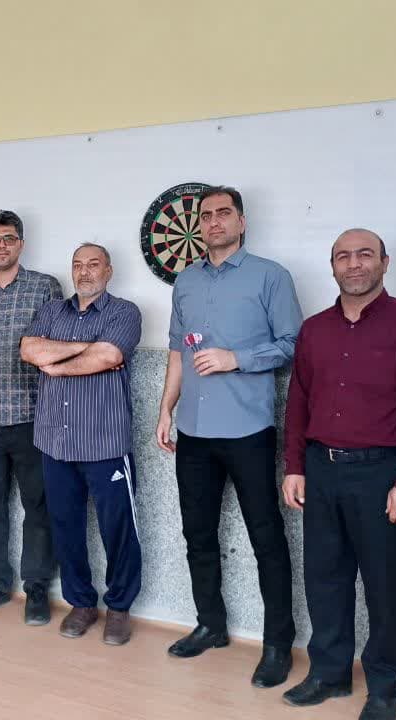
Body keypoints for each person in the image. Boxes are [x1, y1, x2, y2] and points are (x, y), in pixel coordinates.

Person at [280, 229, 396, 720]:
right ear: (332, 266)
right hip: (321, 470)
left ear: (384, 262)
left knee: (386, 585)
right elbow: (298, 403)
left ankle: (384, 684)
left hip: (384, 476)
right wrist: (295, 466)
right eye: (343, 256)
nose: (354, 264)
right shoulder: (314, 330)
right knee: (324, 578)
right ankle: (328, 673)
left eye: (364, 255)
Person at [154, 186, 302, 687]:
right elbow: (178, 350)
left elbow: (292, 344)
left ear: (241, 221)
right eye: (206, 215)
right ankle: (210, 624)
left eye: (224, 213)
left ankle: (277, 643)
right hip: (193, 431)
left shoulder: (270, 276)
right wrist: (165, 408)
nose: (214, 221)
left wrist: (236, 359)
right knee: (198, 535)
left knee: (267, 538)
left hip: (247, 430)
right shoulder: (187, 281)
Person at [20, 243, 142, 646]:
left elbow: (108, 356)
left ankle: (119, 607)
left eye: (93, 264)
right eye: (77, 265)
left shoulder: (124, 312)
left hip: (105, 442)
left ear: (108, 270)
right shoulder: (52, 310)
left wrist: (56, 364)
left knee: (118, 528)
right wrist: (85, 348)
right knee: (65, 527)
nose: (84, 272)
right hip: (55, 442)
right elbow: (28, 349)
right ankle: (81, 603)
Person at [0, 208, 63, 624]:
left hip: (33, 418)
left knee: (39, 507)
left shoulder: (46, 287)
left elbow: (58, 349)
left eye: (8, 238)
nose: (1, 246)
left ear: (21, 243)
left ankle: (36, 588)